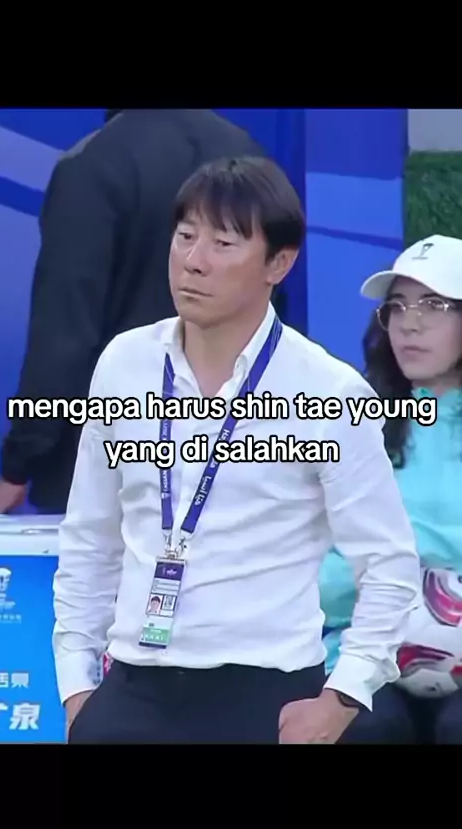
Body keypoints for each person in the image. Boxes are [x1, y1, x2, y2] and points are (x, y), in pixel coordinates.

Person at [53, 155, 420, 745]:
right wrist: (76, 687)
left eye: (223, 243)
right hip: (132, 690)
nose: (194, 260)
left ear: (280, 262)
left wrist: (342, 698)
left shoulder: (327, 391)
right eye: (185, 236)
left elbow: (388, 564)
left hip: (266, 694)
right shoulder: (124, 364)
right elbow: (89, 537)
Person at [0, 109, 264, 515]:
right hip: (229, 464)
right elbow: (268, 321)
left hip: (110, 471)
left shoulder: (93, 165)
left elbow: (64, 335)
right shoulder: (250, 157)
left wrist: (17, 468)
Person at [320, 234, 462, 744]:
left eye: (434, 305)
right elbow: (321, 568)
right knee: (370, 727)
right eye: (397, 307)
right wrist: (395, 585)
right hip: (362, 653)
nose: (409, 323)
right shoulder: (353, 422)